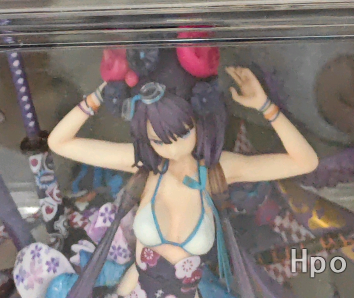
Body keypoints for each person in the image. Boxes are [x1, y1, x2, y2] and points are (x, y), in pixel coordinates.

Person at [38, 44, 316, 298]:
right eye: (158, 140)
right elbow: (59, 142)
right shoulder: (145, 165)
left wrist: (265, 107)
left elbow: (305, 162)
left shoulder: (219, 169)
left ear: (199, 122)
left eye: (181, 134)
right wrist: (98, 95)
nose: (170, 149)